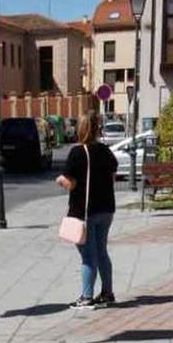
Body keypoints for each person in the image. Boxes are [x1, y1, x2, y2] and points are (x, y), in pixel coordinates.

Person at [56, 111, 119, 310]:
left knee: (87, 255)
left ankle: (87, 296)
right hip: (106, 209)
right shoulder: (106, 151)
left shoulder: (77, 153)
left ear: (81, 129)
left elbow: (70, 182)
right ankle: (107, 293)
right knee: (101, 252)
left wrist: (60, 180)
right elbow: (112, 176)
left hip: (85, 211)